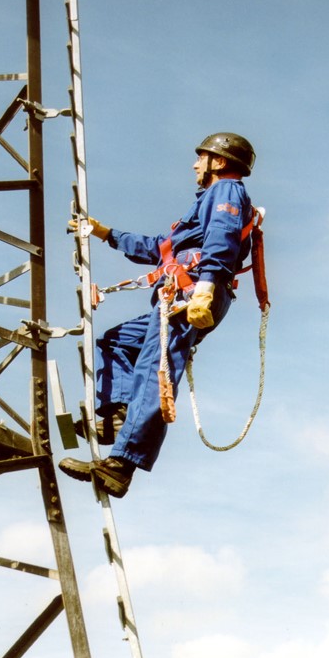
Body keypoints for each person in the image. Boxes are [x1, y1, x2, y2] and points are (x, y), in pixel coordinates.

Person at [59, 132, 256, 498]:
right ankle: (120, 417)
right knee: (116, 342)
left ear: (219, 161)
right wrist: (106, 233)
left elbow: (223, 236)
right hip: (183, 294)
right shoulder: (204, 204)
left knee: (156, 369)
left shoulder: (227, 190)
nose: (195, 165)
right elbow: (159, 249)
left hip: (193, 293)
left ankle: (122, 465)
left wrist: (205, 286)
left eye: (200, 158)